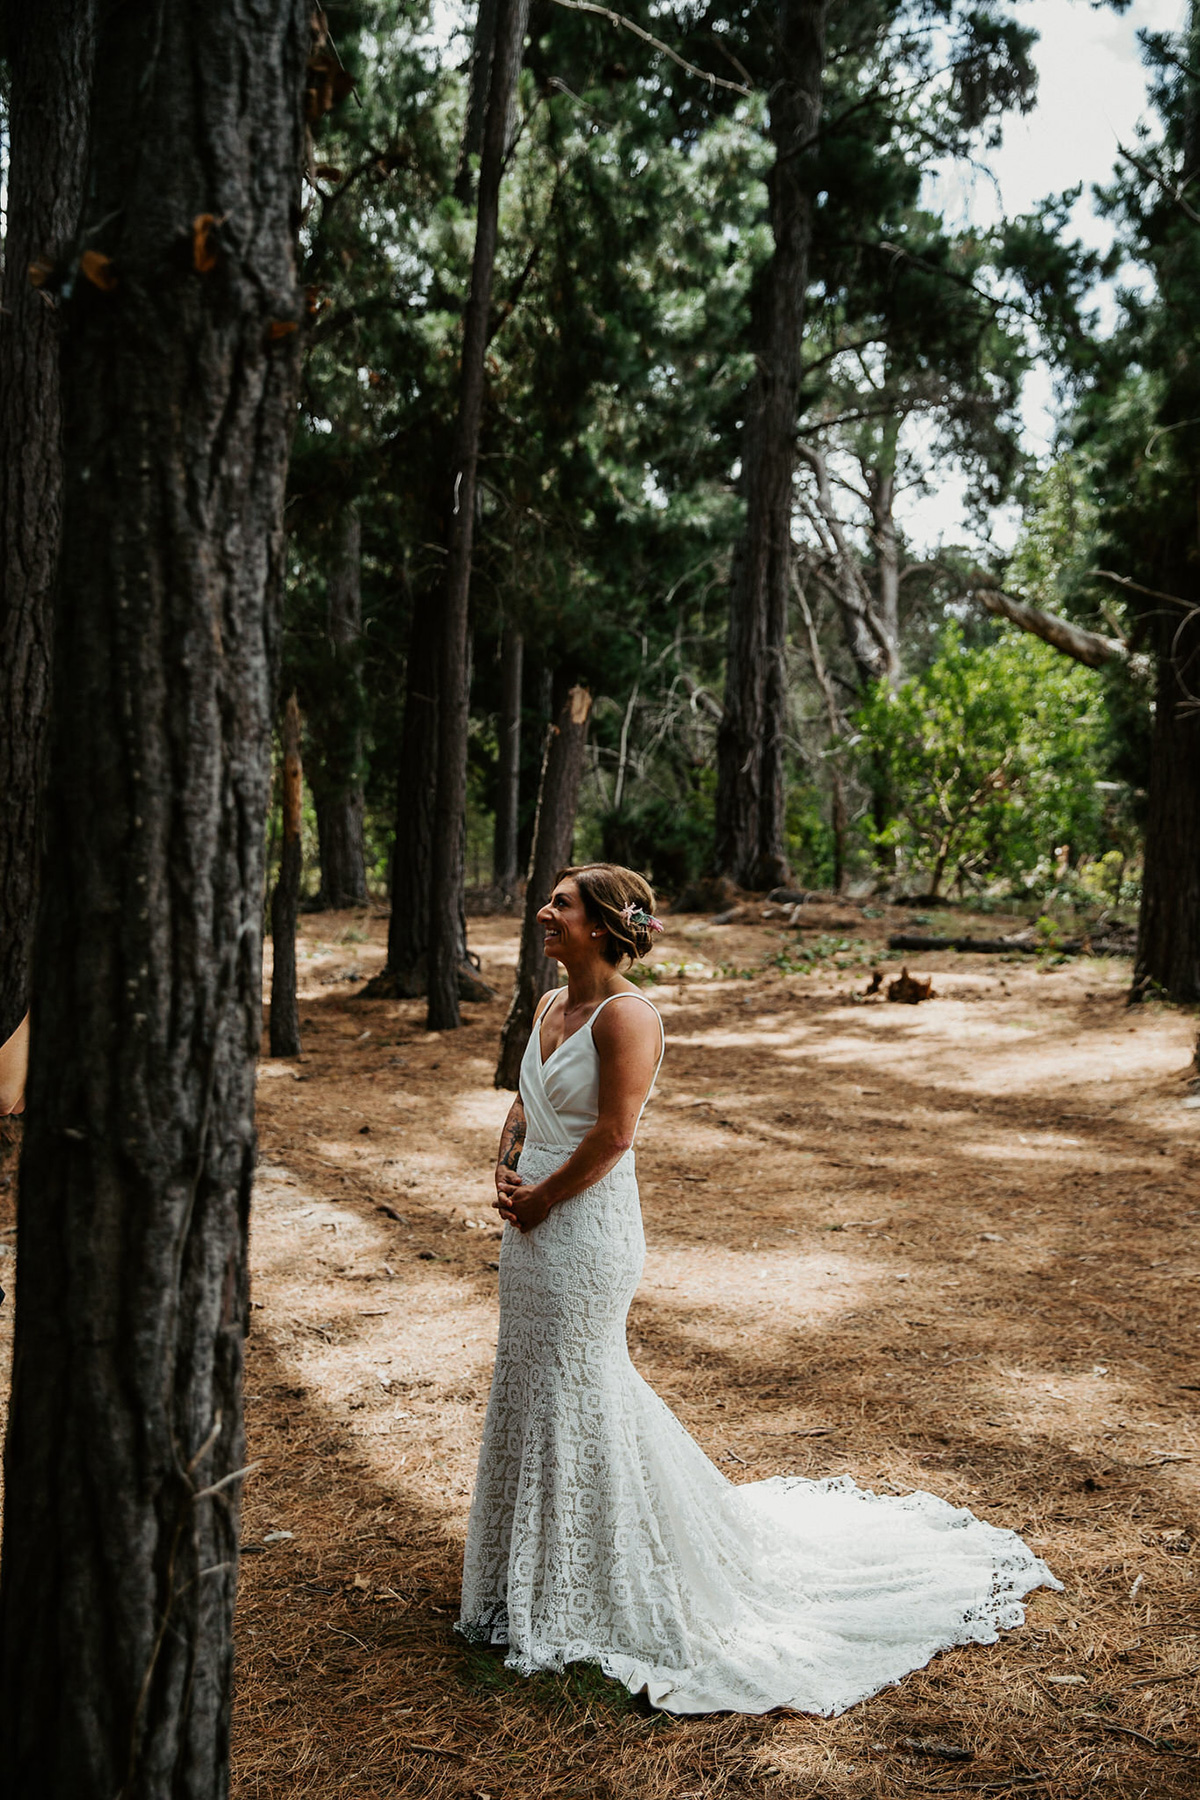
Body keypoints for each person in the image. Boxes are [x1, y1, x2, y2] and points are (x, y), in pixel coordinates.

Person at [458, 863, 1060, 1715]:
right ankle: (538, 1569)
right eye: (551, 902)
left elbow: (617, 1134)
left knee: (580, 1383)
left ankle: (605, 1578)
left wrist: (545, 1198)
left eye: (561, 905)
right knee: (532, 1381)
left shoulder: (629, 1017)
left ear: (601, 925)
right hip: (530, 1225)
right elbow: (525, 1103)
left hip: (584, 1228)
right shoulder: (552, 1006)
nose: (544, 913)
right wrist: (506, 1163)